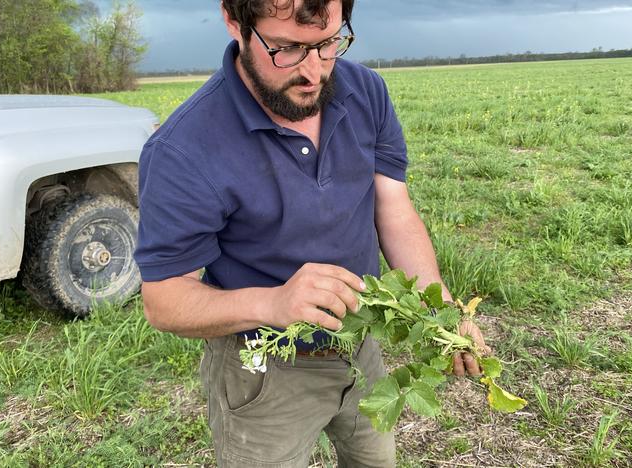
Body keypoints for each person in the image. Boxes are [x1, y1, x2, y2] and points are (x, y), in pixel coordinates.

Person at [134, 0, 489, 466]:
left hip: (361, 348)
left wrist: (441, 310)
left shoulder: (366, 92)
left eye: (328, 44)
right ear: (234, 21)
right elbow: (164, 299)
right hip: (263, 371)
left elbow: (394, 210)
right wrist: (273, 303)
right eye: (286, 48)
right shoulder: (182, 149)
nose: (313, 71)